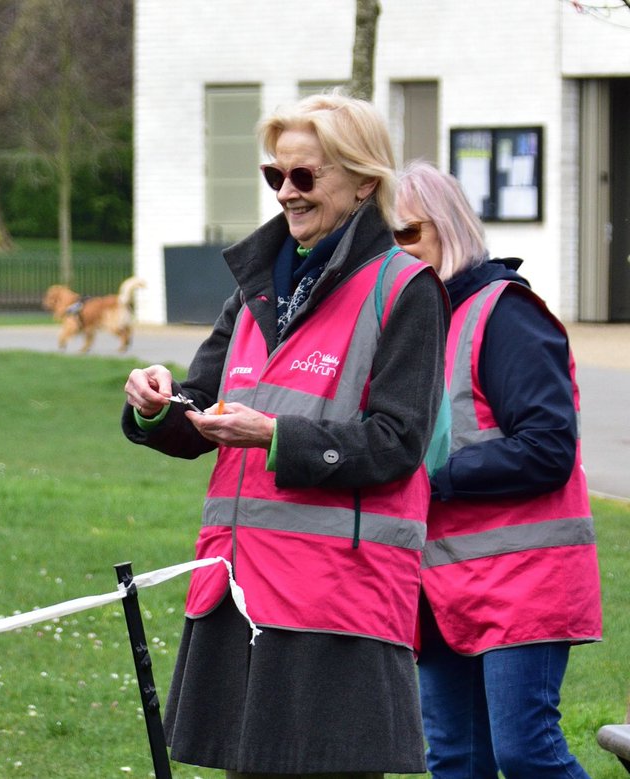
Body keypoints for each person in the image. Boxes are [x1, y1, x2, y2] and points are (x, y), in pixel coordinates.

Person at [121, 91, 448, 777]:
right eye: (277, 176)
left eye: (306, 176)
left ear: (364, 181)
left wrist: (275, 435)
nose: (288, 194)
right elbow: (201, 401)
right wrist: (159, 405)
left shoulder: (405, 287)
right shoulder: (255, 284)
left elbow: (397, 442)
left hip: (336, 603)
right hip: (240, 588)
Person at [396, 160, 602, 779]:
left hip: (521, 581)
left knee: (526, 753)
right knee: (456, 760)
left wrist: (436, 480)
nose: (396, 253)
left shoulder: (505, 313)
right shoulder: (413, 325)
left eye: (407, 233)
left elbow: (547, 448)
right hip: (439, 584)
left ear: (448, 226)